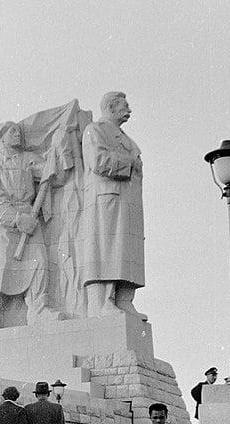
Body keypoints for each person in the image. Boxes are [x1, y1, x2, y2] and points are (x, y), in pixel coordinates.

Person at [0, 121, 64, 331]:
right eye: (12, 131)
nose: (18, 135)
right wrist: (16, 219)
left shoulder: (27, 159)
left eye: (19, 132)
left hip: (30, 216)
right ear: (1, 137)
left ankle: (39, 309)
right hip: (5, 223)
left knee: (39, 263)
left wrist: (57, 153)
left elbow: (52, 174)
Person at [81, 92, 145, 318]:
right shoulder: (95, 130)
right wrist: (129, 163)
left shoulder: (125, 137)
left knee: (126, 251)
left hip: (127, 201)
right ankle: (104, 301)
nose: (129, 110)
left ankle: (124, 299)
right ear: (110, 107)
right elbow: (98, 161)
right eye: (124, 106)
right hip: (107, 200)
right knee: (108, 249)